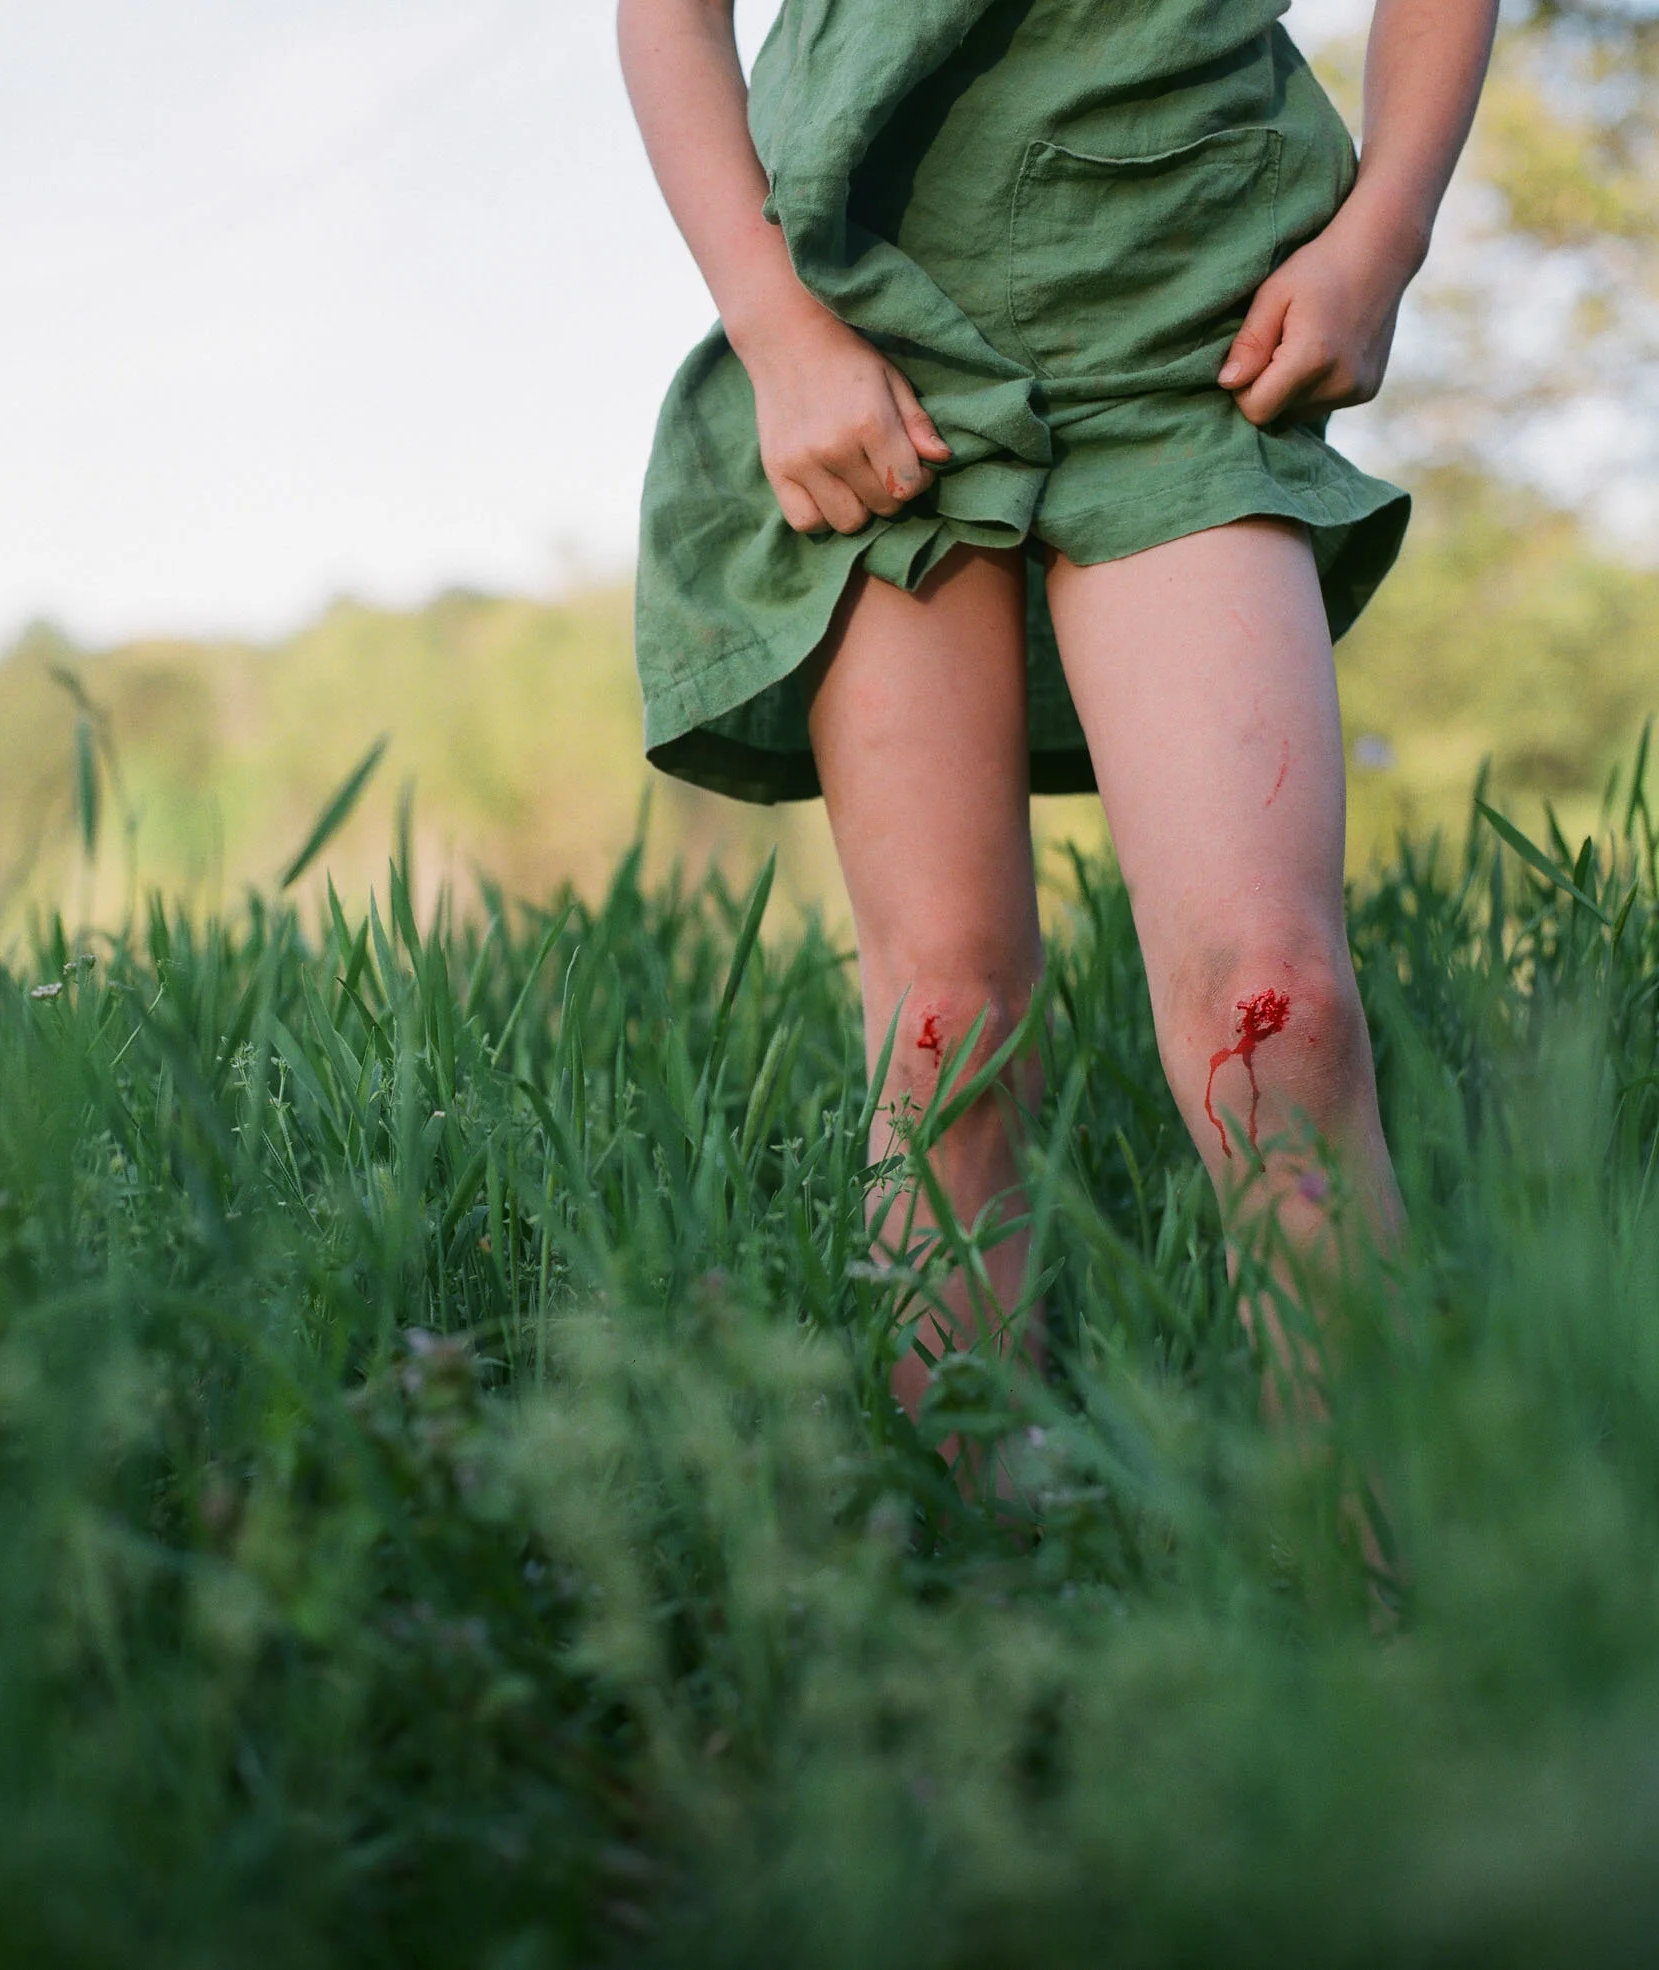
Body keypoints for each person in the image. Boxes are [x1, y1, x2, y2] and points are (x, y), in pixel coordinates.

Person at [619, 0, 1499, 1432]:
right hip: (870, 317)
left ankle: (1381, 1606)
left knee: (1277, 1005)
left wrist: (1383, 234)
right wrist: (775, 324)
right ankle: (979, 1592)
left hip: (1190, 304)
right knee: (944, 1024)